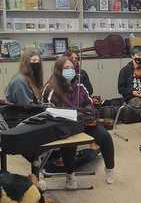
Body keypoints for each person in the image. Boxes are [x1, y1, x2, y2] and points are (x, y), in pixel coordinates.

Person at [41, 56, 116, 186]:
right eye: (66, 68)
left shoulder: (80, 85)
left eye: (71, 67)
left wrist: (83, 111)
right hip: (63, 126)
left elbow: (89, 104)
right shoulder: (50, 88)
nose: (70, 70)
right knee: (70, 144)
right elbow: (47, 110)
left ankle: (110, 169)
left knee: (105, 136)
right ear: (58, 70)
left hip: (83, 122)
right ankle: (70, 175)